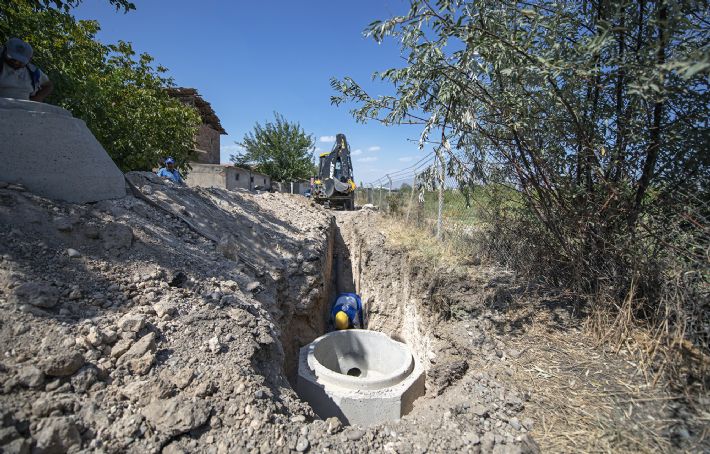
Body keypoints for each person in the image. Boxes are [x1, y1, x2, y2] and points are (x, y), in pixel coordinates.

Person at [0, 38, 53, 102]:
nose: (16, 62)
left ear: (28, 60)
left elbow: (48, 85)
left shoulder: (33, 71)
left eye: (20, 61)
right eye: (12, 58)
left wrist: (38, 98)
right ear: (4, 51)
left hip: (25, 107)